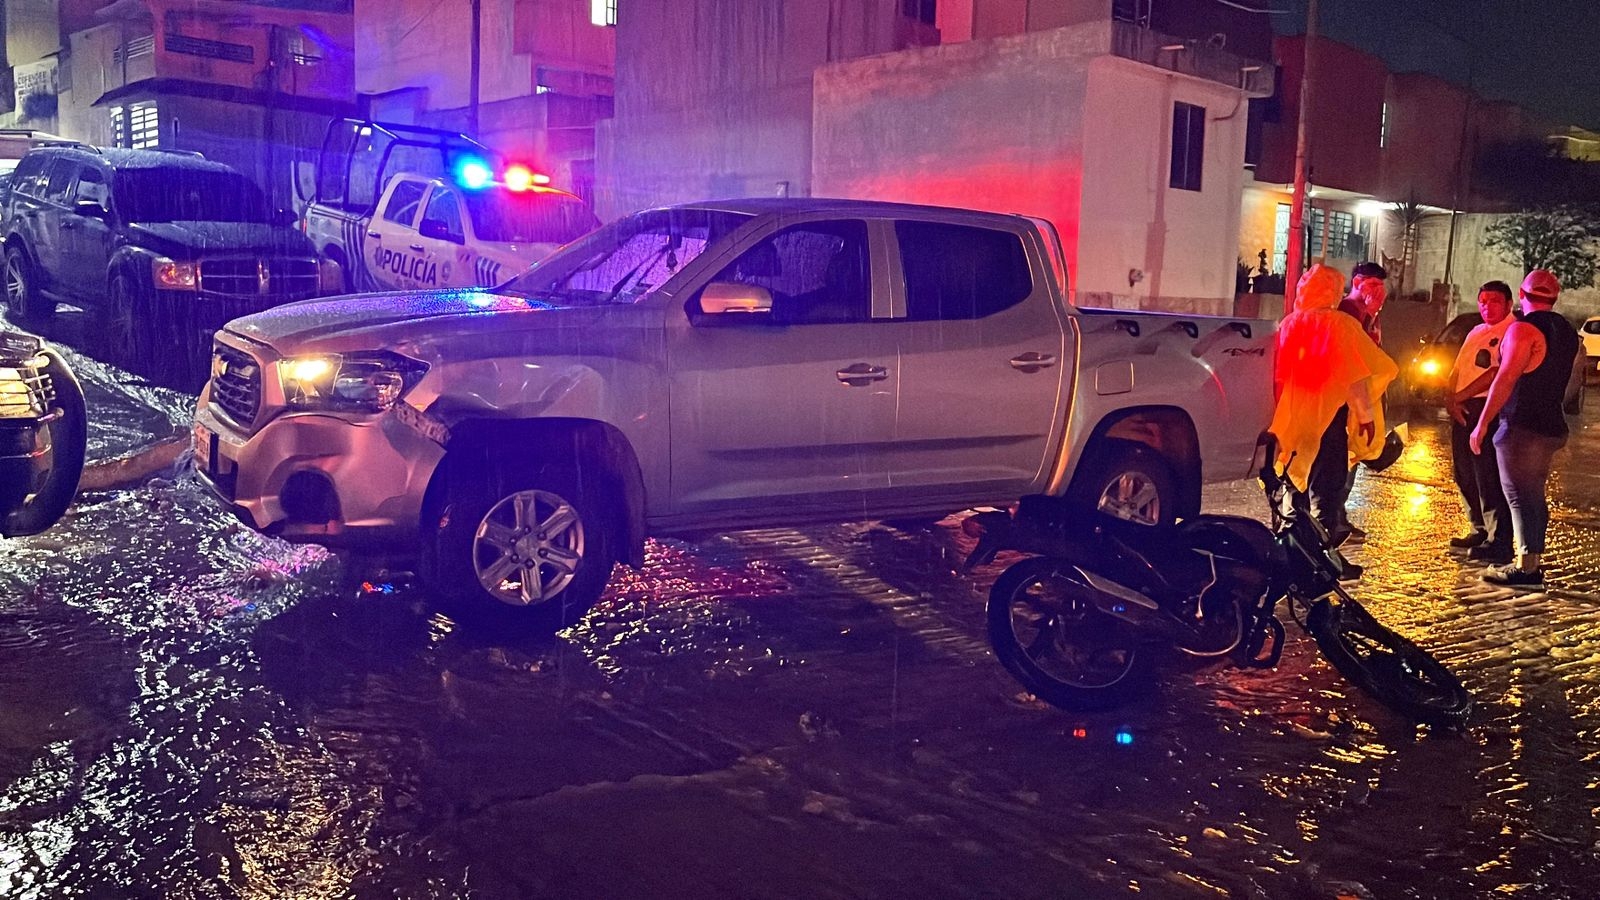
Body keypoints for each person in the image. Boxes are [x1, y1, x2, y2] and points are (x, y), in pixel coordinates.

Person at [1271, 264, 1398, 561]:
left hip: (1291, 416)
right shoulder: (1339, 324)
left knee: (1293, 482)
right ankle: (1320, 559)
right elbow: (1353, 374)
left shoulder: (1289, 323)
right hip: (1328, 417)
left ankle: (1290, 553)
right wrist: (1365, 416)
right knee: (1327, 487)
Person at [1470, 269, 1581, 588]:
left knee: (1521, 496)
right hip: (1551, 425)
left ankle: (1526, 569)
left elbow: (1504, 379)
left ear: (1521, 294)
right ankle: (1529, 561)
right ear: (1555, 297)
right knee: (1533, 495)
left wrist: (1482, 424)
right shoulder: (1566, 330)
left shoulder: (1523, 330)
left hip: (1522, 427)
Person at [1445, 281, 1515, 563]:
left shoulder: (1512, 331)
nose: (1487, 306)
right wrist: (1450, 397)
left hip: (1486, 406)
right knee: (1464, 472)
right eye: (1483, 300)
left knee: (1488, 475)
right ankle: (1478, 526)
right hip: (1461, 406)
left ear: (1509, 304)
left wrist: (1460, 396)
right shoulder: (1475, 331)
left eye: (1494, 301)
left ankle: (1498, 537)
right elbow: (1457, 367)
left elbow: (1497, 372)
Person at [1340, 261, 1389, 345]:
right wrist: (1369, 316)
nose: (1378, 291)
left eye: (1380, 287)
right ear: (1357, 282)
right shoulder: (1343, 309)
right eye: (1373, 284)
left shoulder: (1372, 313)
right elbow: (1359, 344)